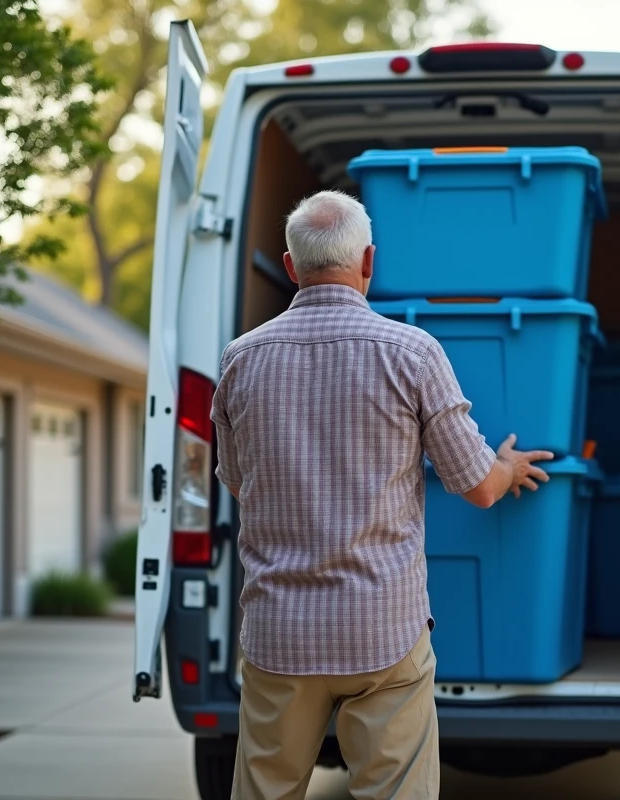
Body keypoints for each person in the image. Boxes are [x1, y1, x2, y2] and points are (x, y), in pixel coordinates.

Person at [211, 190, 554, 800]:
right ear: (369, 260)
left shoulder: (241, 360)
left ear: (291, 268)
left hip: (278, 633)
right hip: (381, 633)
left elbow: (240, 483)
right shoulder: (412, 353)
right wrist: (506, 466)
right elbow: (476, 486)